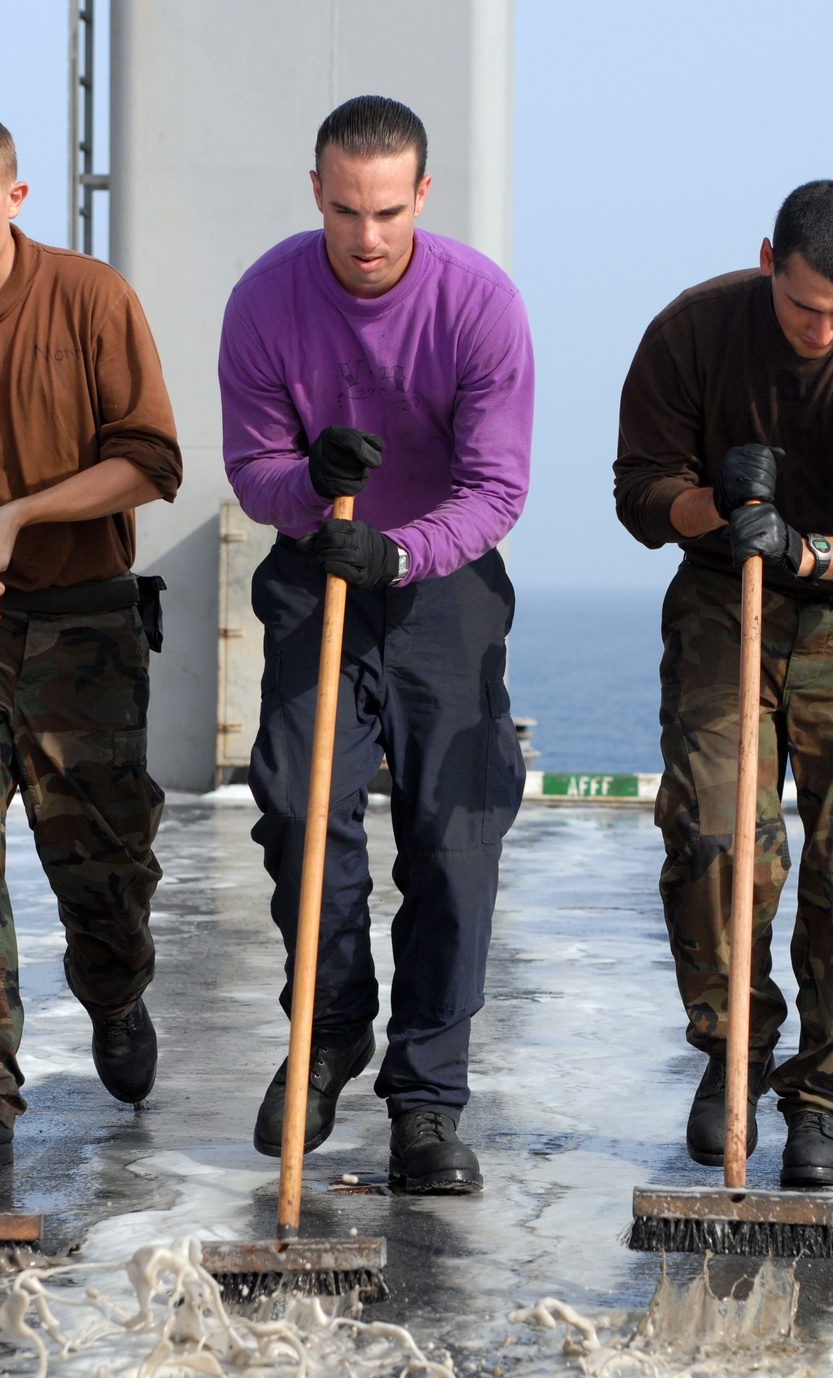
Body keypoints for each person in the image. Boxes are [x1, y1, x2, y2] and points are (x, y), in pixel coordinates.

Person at [218, 95, 533, 1192]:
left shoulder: (478, 304)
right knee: (302, 809)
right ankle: (329, 1033)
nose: (365, 237)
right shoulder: (266, 298)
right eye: (345, 209)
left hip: (437, 583)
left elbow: (497, 487)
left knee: (454, 835)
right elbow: (252, 469)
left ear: (422, 197)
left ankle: (427, 1101)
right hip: (316, 570)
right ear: (315, 191)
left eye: (388, 211)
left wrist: (399, 554)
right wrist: (312, 487)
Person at [0, 107, 182, 1177]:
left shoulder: (92, 299)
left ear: (13, 196)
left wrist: (23, 513)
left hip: (89, 617)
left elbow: (151, 459)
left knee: (100, 864)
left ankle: (116, 988)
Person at [615, 179, 833, 1188]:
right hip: (727, 597)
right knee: (718, 834)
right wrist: (713, 508)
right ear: (768, 258)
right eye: (802, 305)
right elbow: (637, 491)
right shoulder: (691, 330)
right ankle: (732, 1051)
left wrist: (810, 550)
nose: (819, 330)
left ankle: (826, 1096)